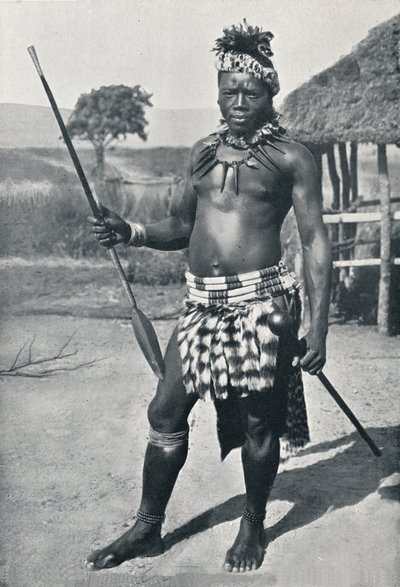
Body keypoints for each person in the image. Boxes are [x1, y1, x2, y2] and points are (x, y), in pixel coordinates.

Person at [86, 21, 332, 574]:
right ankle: (148, 528)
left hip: (261, 307)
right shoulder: (201, 153)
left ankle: (253, 523)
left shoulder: (292, 157)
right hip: (200, 306)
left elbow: (315, 241)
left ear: (271, 93)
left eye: (251, 93)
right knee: (166, 409)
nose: (238, 103)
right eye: (228, 92)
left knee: (259, 425)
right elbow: (180, 226)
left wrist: (318, 327)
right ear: (218, 94)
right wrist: (131, 232)